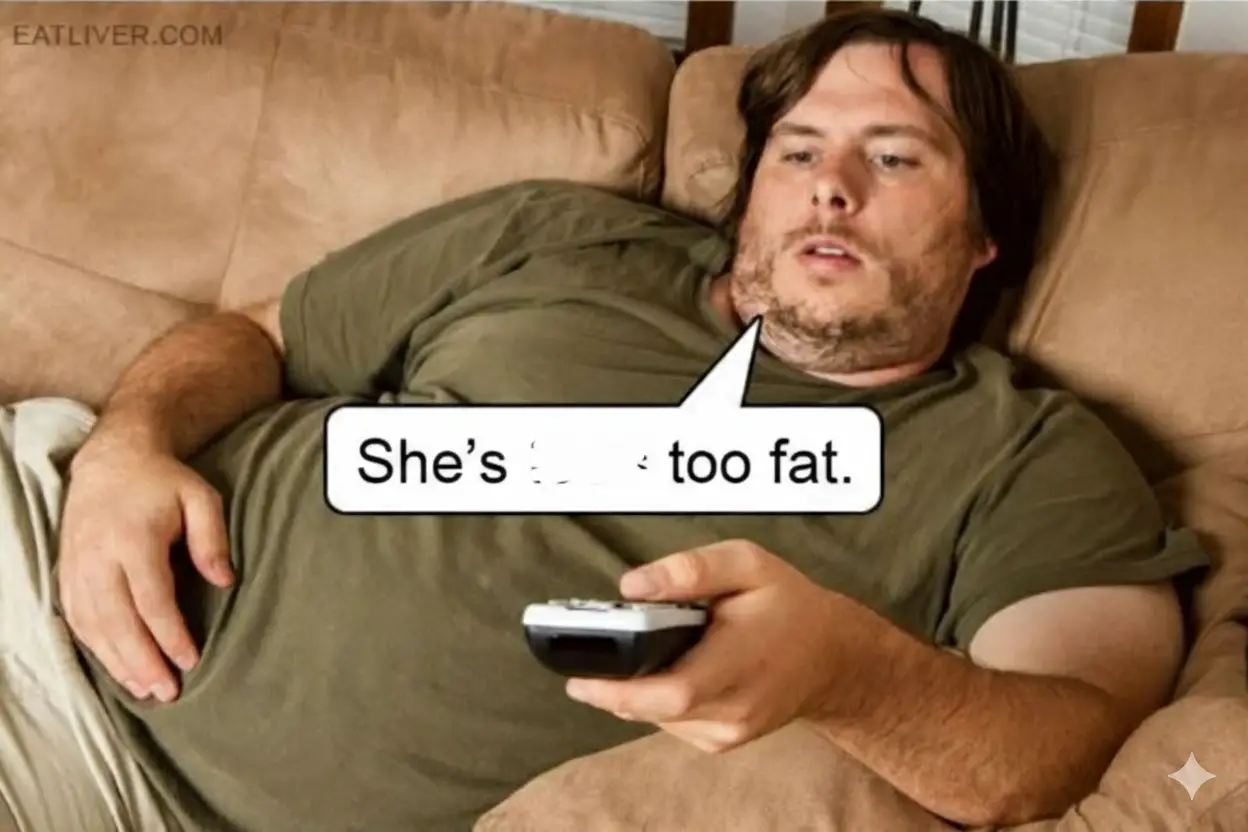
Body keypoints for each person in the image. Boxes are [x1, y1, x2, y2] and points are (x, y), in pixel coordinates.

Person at [2, 8, 1208, 832]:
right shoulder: (563, 235)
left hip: (137, 782)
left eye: (895, 159)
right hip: (41, 546)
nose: (832, 189)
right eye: (798, 152)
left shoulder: (1025, 455)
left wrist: (850, 672)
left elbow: (1073, 740)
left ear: (986, 232)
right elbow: (257, 336)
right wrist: (127, 445)